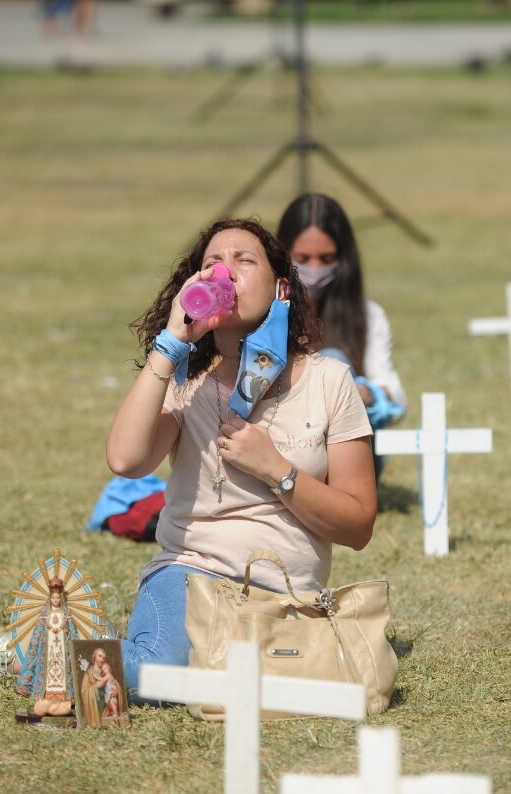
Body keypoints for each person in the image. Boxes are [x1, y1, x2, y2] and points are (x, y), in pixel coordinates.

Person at [106, 218, 376, 690]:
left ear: (281, 288)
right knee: (164, 675)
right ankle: (38, 646)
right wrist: (171, 344)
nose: (224, 273)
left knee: (259, 686)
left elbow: (357, 526)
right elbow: (126, 461)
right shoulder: (185, 382)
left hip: (285, 597)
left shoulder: (328, 381)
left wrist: (278, 471)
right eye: (211, 263)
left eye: (244, 261)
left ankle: (78, 647)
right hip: (193, 576)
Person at [276, 193, 407, 470]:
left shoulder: (368, 316)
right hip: (283, 445)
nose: (313, 269)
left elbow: (397, 399)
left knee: (334, 359)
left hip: (345, 453)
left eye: (326, 258)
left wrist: (365, 393)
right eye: (302, 258)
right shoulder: (265, 315)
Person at [15, 576, 79, 716]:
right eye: (53, 598)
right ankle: (46, 699)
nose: (55, 600)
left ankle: (64, 700)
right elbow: (37, 637)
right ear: (50, 598)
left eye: (57, 598)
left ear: (61, 598)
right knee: (48, 677)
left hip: (62, 654)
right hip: (48, 654)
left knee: (62, 677)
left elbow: (73, 635)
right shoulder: (45, 615)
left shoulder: (66, 615)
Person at [78, 646, 122, 725]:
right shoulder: (89, 673)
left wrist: (116, 690)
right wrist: (96, 687)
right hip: (95, 708)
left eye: (104, 658)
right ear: (94, 657)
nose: (102, 659)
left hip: (107, 707)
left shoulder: (106, 672)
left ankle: (113, 712)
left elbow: (114, 684)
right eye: (100, 656)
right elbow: (84, 691)